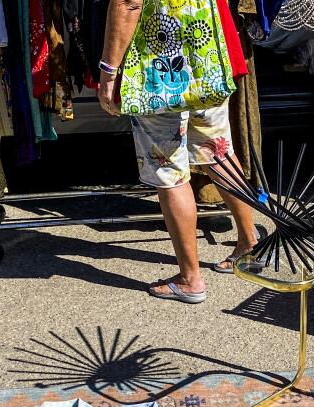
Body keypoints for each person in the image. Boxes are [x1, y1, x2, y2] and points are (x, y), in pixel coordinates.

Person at [97, 0, 257, 304]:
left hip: (161, 73)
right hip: (205, 58)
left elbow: (128, 4)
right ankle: (249, 244)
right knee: (218, 152)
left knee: (170, 172)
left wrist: (108, 71)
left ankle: (190, 278)